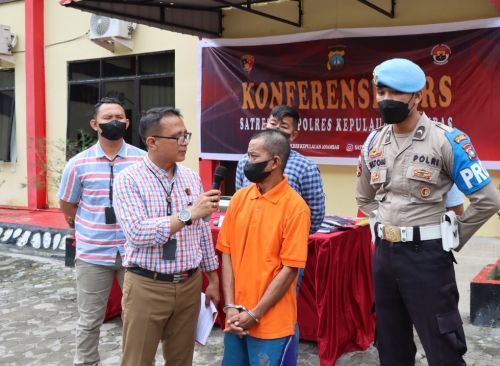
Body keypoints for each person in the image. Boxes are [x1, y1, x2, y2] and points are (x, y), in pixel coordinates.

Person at [356, 58, 500, 365]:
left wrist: (450, 236)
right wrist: (387, 223)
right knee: (390, 343)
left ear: (418, 96)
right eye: (380, 92)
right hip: (384, 256)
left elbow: (488, 200)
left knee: (442, 344)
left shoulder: (448, 140)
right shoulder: (372, 143)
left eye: (395, 93)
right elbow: (365, 198)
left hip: (427, 257)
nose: (385, 100)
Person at [113, 107, 221, 366]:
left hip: (189, 284)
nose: (184, 143)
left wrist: (212, 278)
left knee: (181, 359)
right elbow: (137, 232)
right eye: (177, 137)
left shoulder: (191, 178)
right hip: (147, 286)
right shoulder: (128, 180)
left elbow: (202, 232)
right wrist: (188, 214)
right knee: (137, 360)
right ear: (152, 142)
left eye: (186, 135)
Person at [58, 97, 145, 366]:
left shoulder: (142, 161)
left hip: (134, 254)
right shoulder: (78, 164)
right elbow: (67, 204)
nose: (114, 122)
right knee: (89, 320)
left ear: (127, 122)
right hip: (93, 255)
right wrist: (86, 226)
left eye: (119, 116)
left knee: (138, 321)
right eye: (107, 118)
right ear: (95, 124)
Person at [235, 104, 325, 353]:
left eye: (283, 127)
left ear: (294, 135)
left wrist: (290, 238)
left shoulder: (305, 167)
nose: (276, 129)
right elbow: (242, 201)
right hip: (249, 256)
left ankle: (283, 355)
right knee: (246, 305)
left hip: (285, 258)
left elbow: (315, 213)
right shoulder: (247, 161)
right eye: (272, 123)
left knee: (282, 311)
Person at [218, 129, 311, 366]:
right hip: (235, 318)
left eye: (252, 157)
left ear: (275, 162)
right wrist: (230, 307)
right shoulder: (239, 198)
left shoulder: (295, 208)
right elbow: (226, 253)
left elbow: (290, 269)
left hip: (271, 324)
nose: (246, 163)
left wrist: (255, 314)